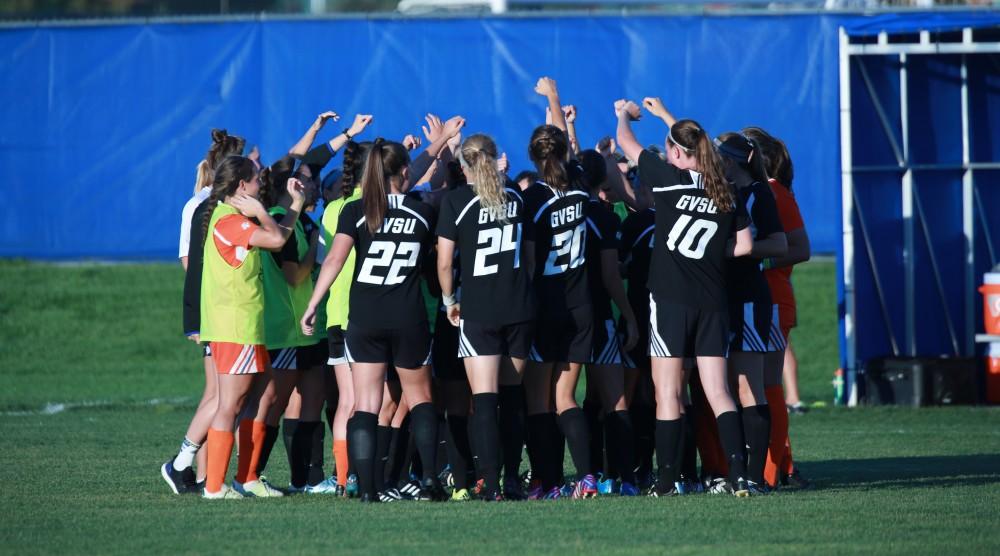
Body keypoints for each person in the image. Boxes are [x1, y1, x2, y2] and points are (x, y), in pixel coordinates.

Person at [302, 130, 462, 503]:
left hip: (365, 316)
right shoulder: (422, 209)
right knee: (421, 398)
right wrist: (444, 145)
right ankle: (429, 481)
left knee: (366, 404)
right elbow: (428, 189)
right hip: (407, 315)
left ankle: (368, 487)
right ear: (404, 171)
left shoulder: (357, 211)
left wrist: (314, 303)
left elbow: (336, 260)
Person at [616, 98, 755, 497]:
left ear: (675, 154)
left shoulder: (666, 178)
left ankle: (666, 480)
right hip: (712, 300)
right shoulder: (725, 191)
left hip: (670, 300)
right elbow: (745, 246)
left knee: (668, 393)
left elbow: (626, 141)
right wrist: (714, 251)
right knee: (718, 392)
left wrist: (625, 114)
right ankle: (739, 475)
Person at [198, 155, 306, 499]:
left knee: (265, 395)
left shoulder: (236, 219)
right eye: (256, 180)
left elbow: (279, 235)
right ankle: (214, 487)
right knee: (230, 403)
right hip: (234, 327)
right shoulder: (230, 220)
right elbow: (276, 241)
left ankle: (247, 478)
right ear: (241, 186)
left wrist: (296, 206)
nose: (261, 184)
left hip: (247, 326)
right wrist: (261, 211)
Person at [436, 133, 536, 501]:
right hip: (519, 307)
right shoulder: (517, 198)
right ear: (495, 160)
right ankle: (511, 480)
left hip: (479, 310)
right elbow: (530, 259)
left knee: (485, 400)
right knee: (512, 399)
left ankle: (490, 484)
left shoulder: (457, 201)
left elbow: (444, 261)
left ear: (463, 167)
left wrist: (449, 300)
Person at [521, 77, 598, 500]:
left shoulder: (533, 200)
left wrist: (552, 101)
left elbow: (531, 262)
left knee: (538, 399)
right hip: (581, 303)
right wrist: (554, 99)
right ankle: (586, 477)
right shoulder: (581, 188)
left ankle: (548, 481)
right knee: (566, 396)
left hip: (548, 305)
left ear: (533, 158)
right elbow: (569, 152)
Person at [161, 129, 245, 495]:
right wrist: (209, 302)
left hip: (219, 308)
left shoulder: (222, 204)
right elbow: (189, 261)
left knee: (218, 395)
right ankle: (182, 466)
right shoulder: (202, 206)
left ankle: (201, 475)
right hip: (213, 310)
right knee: (219, 396)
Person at [715, 131, 788, 494]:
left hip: (749, 296)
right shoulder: (722, 193)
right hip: (723, 298)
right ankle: (737, 473)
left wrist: (738, 249)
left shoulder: (759, 193)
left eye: (722, 156)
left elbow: (780, 243)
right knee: (725, 387)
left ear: (734, 160)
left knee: (749, 387)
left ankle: (757, 478)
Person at [742, 126, 813, 489]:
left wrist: (760, 262)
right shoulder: (758, 191)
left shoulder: (773, 192)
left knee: (766, 387)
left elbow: (800, 248)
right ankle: (781, 466)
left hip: (770, 300)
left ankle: (774, 469)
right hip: (756, 300)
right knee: (757, 385)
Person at [577, 148, 641, 496]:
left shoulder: (556, 209)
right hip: (599, 316)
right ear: (602, 180)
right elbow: (611, 278)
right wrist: (629, 316)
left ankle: (583, 476)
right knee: (615, 401)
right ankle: (623, 480)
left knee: (567, 401)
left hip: (563, 318)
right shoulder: (604, 217)